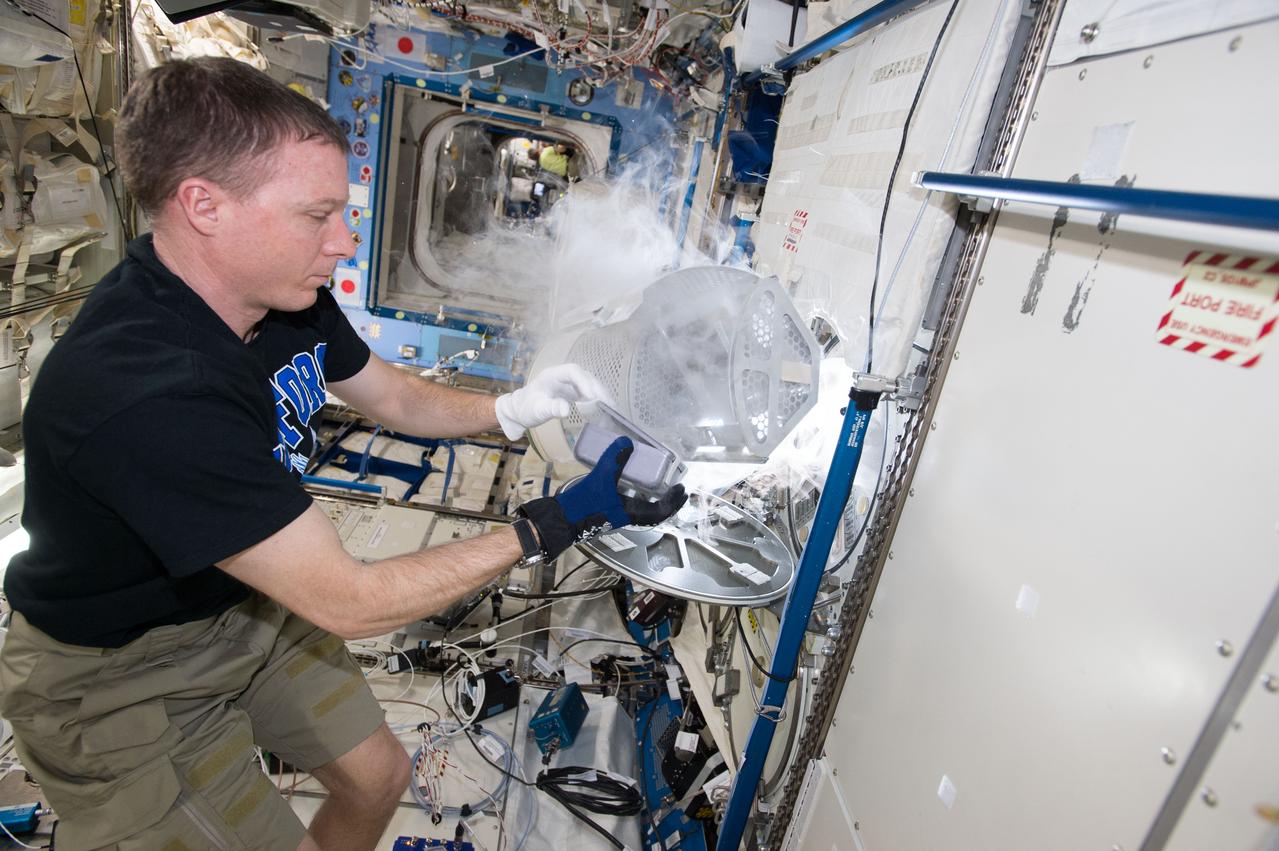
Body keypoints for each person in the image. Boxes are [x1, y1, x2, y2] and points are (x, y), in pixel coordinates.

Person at [0, 58, 685, 851]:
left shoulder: (280, 294)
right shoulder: (146, 391)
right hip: (118, 680)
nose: (345, 239)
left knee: (379, 776)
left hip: (238, 610)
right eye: (317, 214)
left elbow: (390, 396)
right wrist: (545, 526)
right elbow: (348, 601)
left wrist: (508, 409)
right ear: (203, 206)